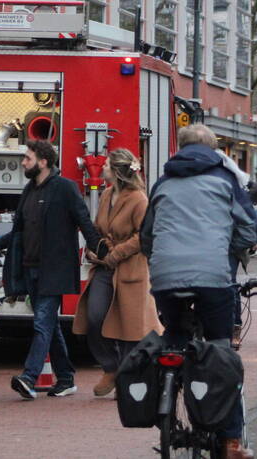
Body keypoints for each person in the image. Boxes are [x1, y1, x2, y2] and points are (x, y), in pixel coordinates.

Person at [140, 124, 257, 459]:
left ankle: (170, 385)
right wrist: (225, 251)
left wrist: (162, 262)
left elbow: (146, 237)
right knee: (222, 354)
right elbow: (251, 228)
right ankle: (231, 441)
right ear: (214, 150)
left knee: (176, 335)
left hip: (165, 277)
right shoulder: (225, 181)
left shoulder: (162, 182)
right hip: (212, 276)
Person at [0, 139, 100, 401]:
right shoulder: (29, 190)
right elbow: (20, 229)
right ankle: (66, 378)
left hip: (54, 270)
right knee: (49, 324)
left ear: (43, 162)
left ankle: (29, 377)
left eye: (27, 158)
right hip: (30, 268)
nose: (23, 162)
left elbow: (84, 222)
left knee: (42, 322)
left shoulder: (66, 188)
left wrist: (100, 251)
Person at [70, 148, 159, 398]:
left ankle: (127, 377)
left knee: (130, 326)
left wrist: (116, 253)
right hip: (105, 267)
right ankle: (111, 366)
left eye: (107, 165)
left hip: (130, 268)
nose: (103, 167)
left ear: (118, 172)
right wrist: (95, 249)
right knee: (95, 315)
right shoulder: (107, 195)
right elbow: (99, 228)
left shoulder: (139, 199)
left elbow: (143, 236)